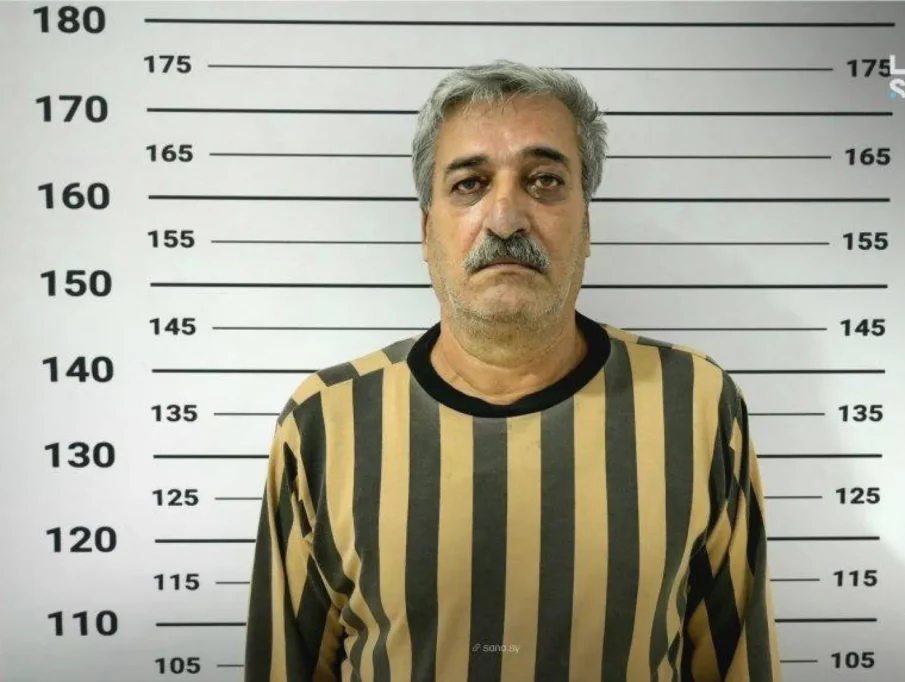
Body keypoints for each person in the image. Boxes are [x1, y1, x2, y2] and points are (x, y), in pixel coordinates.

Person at [243, 59, 782, 682]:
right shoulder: (327, 419)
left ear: (586, 225)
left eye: (545, 180)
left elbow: (736, 664)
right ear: (427, 232)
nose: (505, 219)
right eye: (469, 184)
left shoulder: (693, 403)